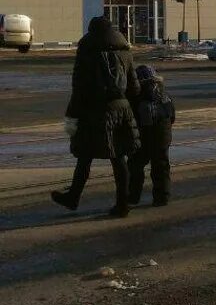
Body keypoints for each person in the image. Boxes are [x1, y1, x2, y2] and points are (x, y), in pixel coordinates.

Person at [51, 16, 141, 217]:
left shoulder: (86, 53)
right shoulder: (125, 53)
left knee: (84, 157)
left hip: (92, 112)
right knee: (119, 158)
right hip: (121, 110)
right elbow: (134, 88)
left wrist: (71, 116)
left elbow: (79, 89)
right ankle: (122, 203)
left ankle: (73, 197)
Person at [128, 65, 176, 208]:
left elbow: (131, 120)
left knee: (135, 167)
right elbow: (172, 117)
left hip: (142, 137)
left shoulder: (135, 96)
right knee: (161, 167)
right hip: (162, 136)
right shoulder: (165, 96)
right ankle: (162, 197)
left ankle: (133, 196)